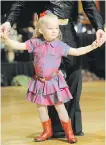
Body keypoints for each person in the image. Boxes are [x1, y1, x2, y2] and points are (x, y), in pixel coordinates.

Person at [0, 1, 105, 137]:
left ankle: (72, 128)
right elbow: (21, 2)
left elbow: (88, 4)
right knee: (47, 82)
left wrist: (99, 27)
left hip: (68, 31)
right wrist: (8, 21)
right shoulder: (37, 40)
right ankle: (54, 130)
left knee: (74, 77)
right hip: (45, 29)